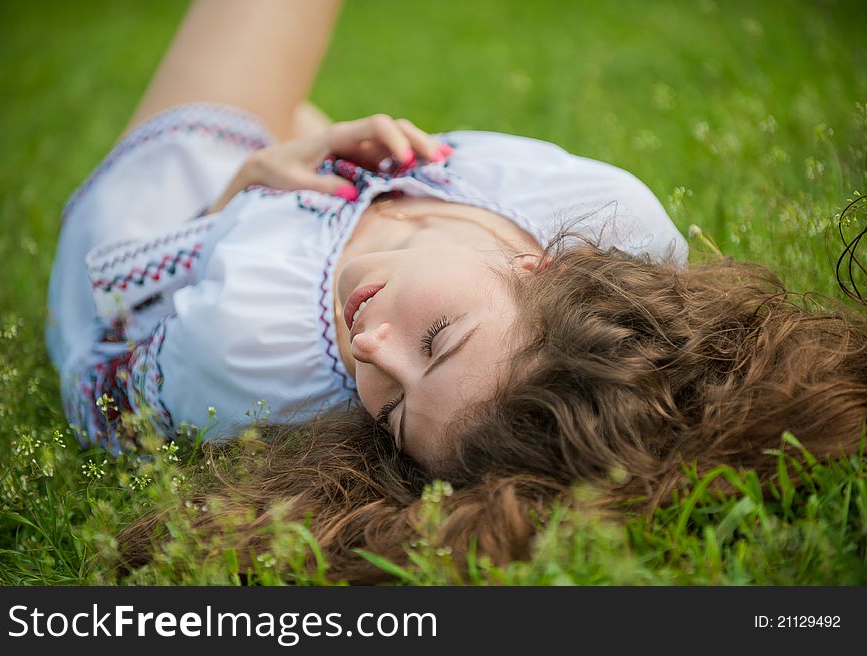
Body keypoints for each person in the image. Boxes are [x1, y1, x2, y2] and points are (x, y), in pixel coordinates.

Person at [47, 1, 867, 582]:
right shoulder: (613, 219)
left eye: (391, 411)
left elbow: (126, 287)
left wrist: (250, 181)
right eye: (436, 338)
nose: (372, 351)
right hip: (306, 213)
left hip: (157, 230)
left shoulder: (252, 343)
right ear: (541, 266)